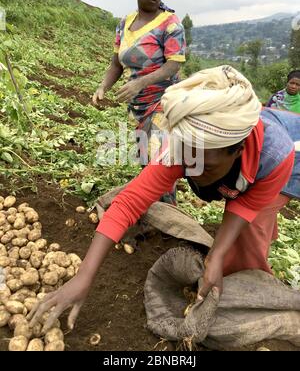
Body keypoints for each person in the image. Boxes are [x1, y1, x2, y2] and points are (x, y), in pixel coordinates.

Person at [29, 66, 299, 333]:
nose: (195, 170)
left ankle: (251, 298)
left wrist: (217, 257)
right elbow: (129, 202)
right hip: (239, 160)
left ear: (238, 150)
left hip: (289, 163)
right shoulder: (184, 147)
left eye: (206, 166)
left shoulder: (277, 156)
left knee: (250, 235)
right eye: (190, 160)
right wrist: (83, 277)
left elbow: (245, 204)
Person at [92, 0, 186, 204]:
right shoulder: (125, 24)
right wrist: (103, 86)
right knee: (146, 163)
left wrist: (140, 83)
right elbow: (116, 64)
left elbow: (173, 65)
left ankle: (168, 219)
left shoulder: (171, 23)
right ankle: (152, 210)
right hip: (139, 108)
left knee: (160, 164)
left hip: (164, 103)